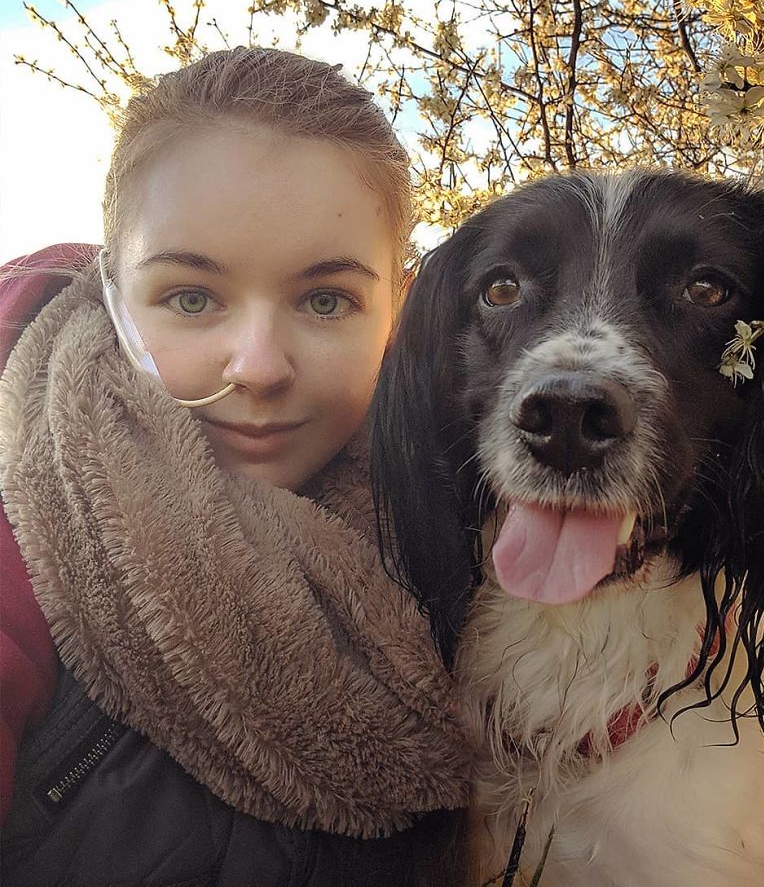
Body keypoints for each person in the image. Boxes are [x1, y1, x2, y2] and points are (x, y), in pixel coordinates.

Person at [0, 48, 469, 885]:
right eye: (191, 298)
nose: (258, 368)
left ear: (398, 310)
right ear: (113, 293)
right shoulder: (21, 521)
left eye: (325, 300)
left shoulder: (487, 526)